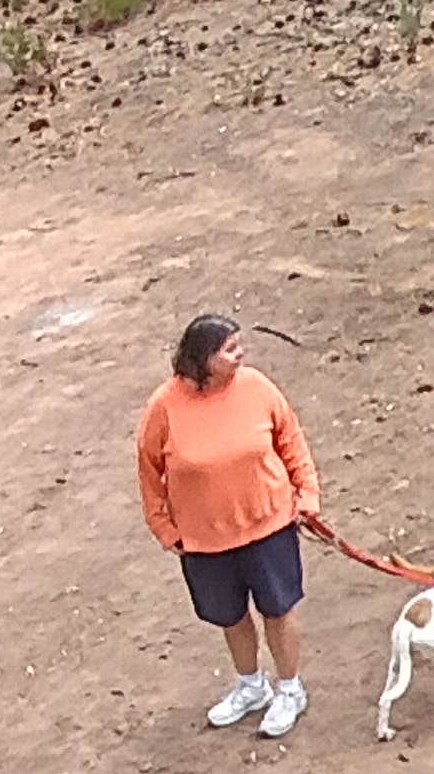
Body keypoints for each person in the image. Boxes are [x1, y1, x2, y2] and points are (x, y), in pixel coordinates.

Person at [136, 313, 322, 738]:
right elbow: (149, 471)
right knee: (230, 616)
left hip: (269, 525)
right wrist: (163, 527)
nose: (241, 355)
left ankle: (289, 689)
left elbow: (291, 441)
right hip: (204, 539)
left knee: (278, 609)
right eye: (229, 349)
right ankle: (251, 686)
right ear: (203, 359)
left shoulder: (257, 387)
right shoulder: (164, 406)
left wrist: (306, 496)